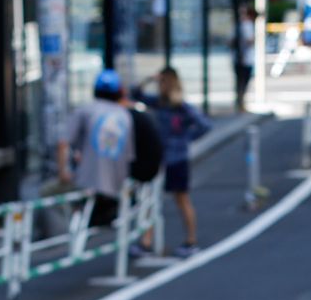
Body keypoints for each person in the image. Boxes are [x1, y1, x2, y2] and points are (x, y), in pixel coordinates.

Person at [135, 67, 211, 257]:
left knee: (181, 199)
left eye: (163, 82)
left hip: (177, 159)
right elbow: (135, 93)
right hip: (160, 158)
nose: (161, 86)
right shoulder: (159, 103)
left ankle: (191, 240)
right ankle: (146, 240)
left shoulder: (182, 107)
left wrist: (185, 139)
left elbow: (205, 126)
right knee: (151, 200)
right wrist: (149, 78)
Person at [58, 69, 134, 228]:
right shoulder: (125, 116)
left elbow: (63, 143)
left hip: (85, 183)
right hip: (115, 188)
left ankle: (57, 240)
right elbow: (129, 155)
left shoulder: (85, 110)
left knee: (46, 193)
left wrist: (63, 172)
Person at [232, 6, 259, 112]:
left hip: (239, 58)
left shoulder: (238, 26)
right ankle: (241, 104)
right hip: (245, 58)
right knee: (243, 82)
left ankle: (240, 103)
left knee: (240, 81)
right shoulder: (247, 25)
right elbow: (249, 40)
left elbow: (230, 41)